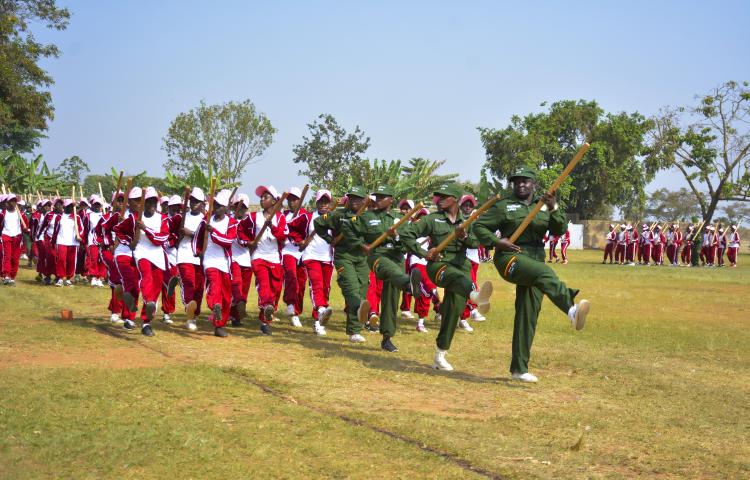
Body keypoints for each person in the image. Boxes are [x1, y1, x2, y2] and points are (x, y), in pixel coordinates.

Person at [474, 166, 590, 383]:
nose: (520, 184)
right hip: (510, 257)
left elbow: (558, 229)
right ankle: (570, 309)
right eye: (516, 181)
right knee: (545, 272)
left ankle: (519, 369)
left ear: (533, 184)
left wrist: (554, 207)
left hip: (535, 257)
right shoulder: (504, 206)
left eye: (525, 181)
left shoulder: (544, 206)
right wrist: (498, 242)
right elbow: (480, 226)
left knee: (528, 314)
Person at [401, 184, 492, 371]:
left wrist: (464, 235)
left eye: (444, 196)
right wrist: (424, 253)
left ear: (455, 199)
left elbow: (476, 242)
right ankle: (475, 296)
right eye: (438, 196)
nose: (439, 199)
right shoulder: (432, 219)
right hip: (439, 266)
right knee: (457, 278)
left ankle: (440, 355)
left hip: (462, 265)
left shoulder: (468, 221)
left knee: (452, 310)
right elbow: (406, 234)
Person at [342, 185, 422, 352]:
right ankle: (408, 284)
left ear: (391, 200)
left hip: (397, 258)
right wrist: (361, 244)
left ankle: (387, 338)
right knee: (388, 269)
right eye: (376, 197)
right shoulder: (366, 216)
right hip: (377, 256)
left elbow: (408, 241)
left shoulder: (401, 218)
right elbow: (348, 227)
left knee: (391, 300)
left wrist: (397, 237)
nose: (377, 200)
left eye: (382, 197)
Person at [314, 186, 371, 343]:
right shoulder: (339, 215)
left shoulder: (367, 217)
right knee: (352, 289)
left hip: (362, 259)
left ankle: (354, 331)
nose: (354, 201)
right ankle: (358, 317)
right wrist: (329, 239)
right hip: (344, 256)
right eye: (351, 198)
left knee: (361, 290)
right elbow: (318, 222)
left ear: (363, 200)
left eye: (358, 198)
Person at [240, 185, 287, 335]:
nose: (261, 199)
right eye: (261, 197)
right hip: (259, 257)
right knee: (264, 286)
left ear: (274, 201)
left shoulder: (281, 218)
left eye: (265, 197)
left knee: (275, 289)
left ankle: (266, 318)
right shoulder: (253, 217)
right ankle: (265, 314)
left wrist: (272, 227)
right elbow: (240, 230)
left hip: (274, 258)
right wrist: (248, 242)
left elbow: (283, 237)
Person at [193, 189, 238, 337]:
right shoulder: (207, 219)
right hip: (209, 260)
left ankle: (219, 325)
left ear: (227, 208)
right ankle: (215, 305)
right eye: (216, 204)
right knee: (214, 285)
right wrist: (198, 251)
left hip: (224, 262)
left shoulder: (231, 223)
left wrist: (214, 232)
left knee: (226, 295)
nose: (217, 207)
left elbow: (228, 241)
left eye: (220, 205)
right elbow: (197, 238)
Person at [290, 189, 336, 336]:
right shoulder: (308, 217)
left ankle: (318, 321)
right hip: (311, 256)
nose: (324, 205)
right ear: (316, 203)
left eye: (326, 202)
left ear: (330, 203)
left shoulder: (334, 218)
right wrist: (299, 241)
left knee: (325, 287)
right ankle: (321, 309)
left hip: (328, 258)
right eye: (321, 201)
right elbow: (291, 228)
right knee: (316, 284)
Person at [130, 187, 170, 336]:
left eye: (154, 201)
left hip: (157, 254)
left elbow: (161, 238)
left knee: (156, 287)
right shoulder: (135, 217)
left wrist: (146, 229)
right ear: (144, 203)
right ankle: (148, 301)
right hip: (142, 253)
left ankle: (146, 323)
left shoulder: (163, 218)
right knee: (146, 277)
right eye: (149, 201)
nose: (152, 204)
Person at [175, 187, 207, 331]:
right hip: (184, 255)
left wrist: (191, 233)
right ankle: (189, 313)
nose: (194, 203)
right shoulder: (181, 217)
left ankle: (194, 316)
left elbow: (206, 238)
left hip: (200, 257)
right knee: (189, 283)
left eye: (197, 201)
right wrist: (179, 235)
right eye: (192, 200)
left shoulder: (206, 219)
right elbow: (173, 238)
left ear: (202, 203)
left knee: (199, 288)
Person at [280, 187, 307, 327]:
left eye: (294, 199)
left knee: (301, 284)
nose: (292, 202)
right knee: (291, 277)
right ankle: (290, 305)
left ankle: (297, 311)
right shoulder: (283, 215)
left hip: (303, 253)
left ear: (300, 200)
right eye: (289, 200)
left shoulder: (305, 215)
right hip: (288, 251)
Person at [229, 193, 253, 326]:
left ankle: (236, 317)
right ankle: (234, 309)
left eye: (242, 207)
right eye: (237, 206)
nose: (239, 209)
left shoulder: (250, 222)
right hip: (233, 259)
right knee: (236, 285)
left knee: (244, 290)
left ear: (246, 208)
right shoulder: (228, 220)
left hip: (246, 260)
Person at [52, 199, 84, 287]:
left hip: (73, 243)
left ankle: (69, 278)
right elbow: (56, 230)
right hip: (61, 241)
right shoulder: (59, 217)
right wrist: (53, 241)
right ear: (64, 207)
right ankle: (61, 278)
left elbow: (81, 229)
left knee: (71, 261)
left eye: (72, 206)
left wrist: (79, 236)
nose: (71, 208)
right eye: (69, 206)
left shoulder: (76, 217)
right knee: (61, 260)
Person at [1, 193, 29, 285]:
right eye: (11, 201)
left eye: (14, 201)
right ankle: (6, 276)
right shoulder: (3, 213)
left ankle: (12, 277)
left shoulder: (20, 214)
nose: (13, 203)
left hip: (17, 237)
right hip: (6, 236)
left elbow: (26, 227)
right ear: (7, 203)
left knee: (15, 258)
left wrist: (26, 230)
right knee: (7, 256)